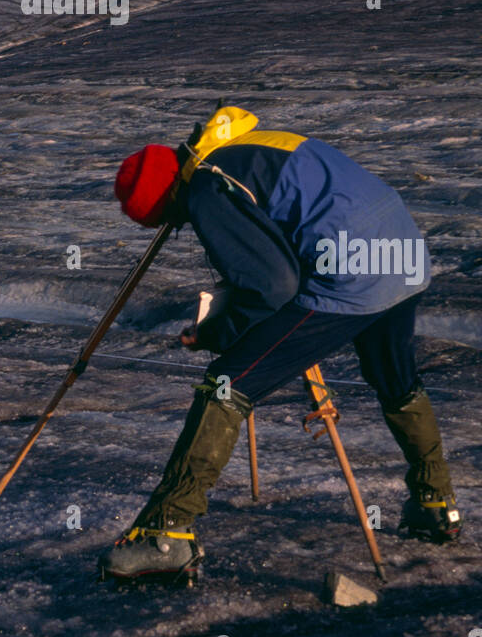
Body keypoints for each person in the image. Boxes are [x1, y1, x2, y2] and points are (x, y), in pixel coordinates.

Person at [99, 104, 461, 583]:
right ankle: (436, 503)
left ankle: (167, 533)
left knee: (226, 384)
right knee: (395, 378)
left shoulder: (208, 187)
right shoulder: (239, 148)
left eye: (168, 219)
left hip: (350, 274)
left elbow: (273, 285)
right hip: (403, 252)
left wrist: (217, 335)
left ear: (161, 203)